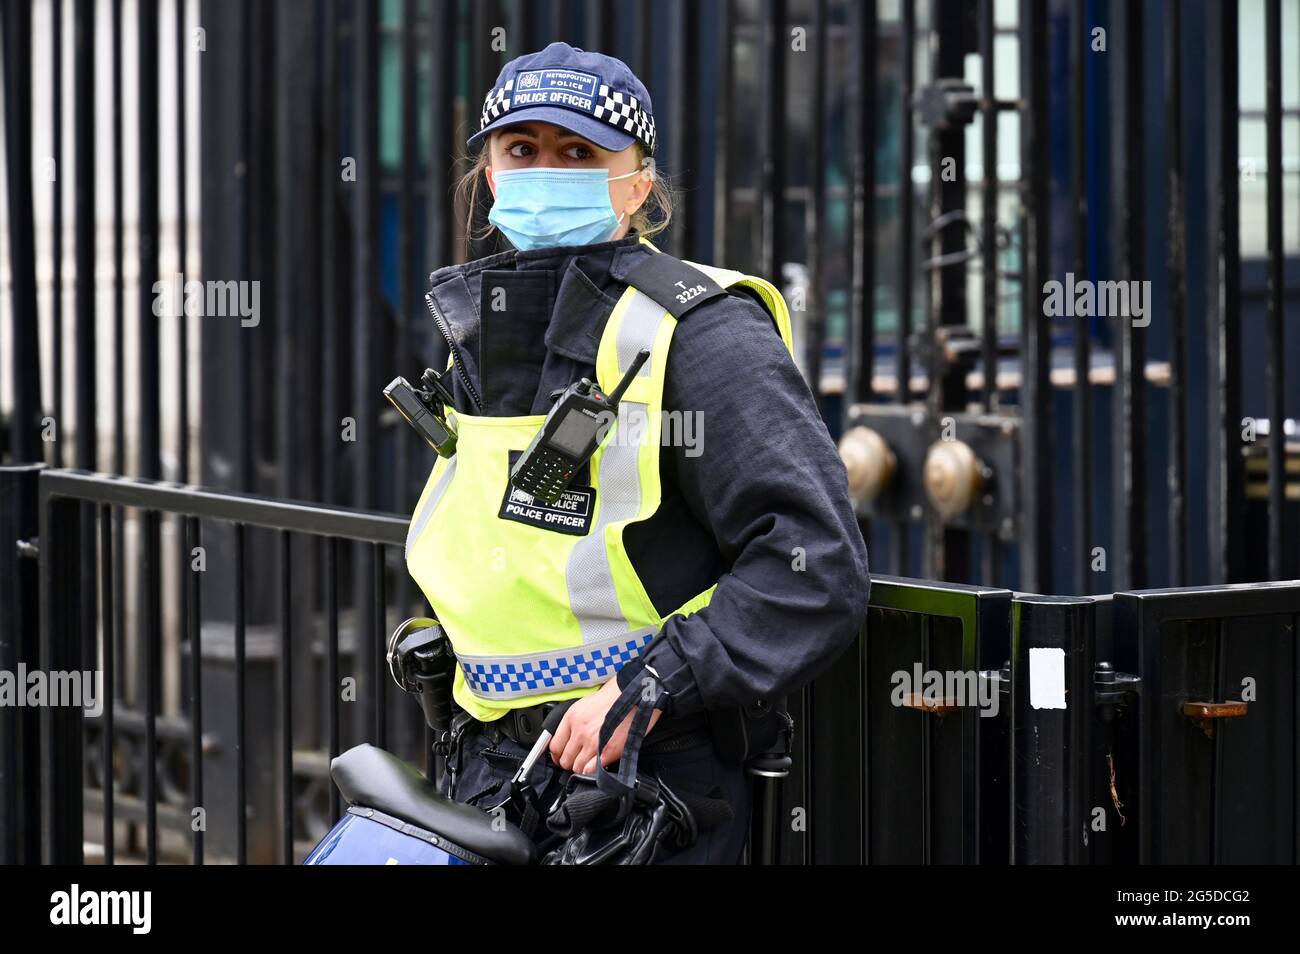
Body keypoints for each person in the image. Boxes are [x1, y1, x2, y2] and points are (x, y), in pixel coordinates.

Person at [403, 41, 870, 864]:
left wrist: (648, 688)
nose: (546, 170)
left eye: (579, 152)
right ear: (489, 174)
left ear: (638, 183)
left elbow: (814, 562)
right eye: (522, 150)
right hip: (491, 768)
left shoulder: (699, 331)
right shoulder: (482, 326)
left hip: (645, 784)